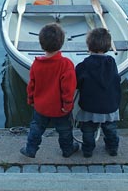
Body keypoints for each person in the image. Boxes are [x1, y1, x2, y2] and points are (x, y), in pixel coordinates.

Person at [20, 23, 79, 158]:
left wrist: (31, 100)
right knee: (65, 130)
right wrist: (67, 106)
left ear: (41, 44)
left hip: (41, 106)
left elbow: (31, 85)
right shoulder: (66, 65)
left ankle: (31, 149)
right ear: (62, 43)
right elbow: (68, 89)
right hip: (60, 109)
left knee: (36, 128)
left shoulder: (36, 64)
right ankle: (67, 149)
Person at [75, 28, 121, 158]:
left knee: (88, 131)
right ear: (108, 46)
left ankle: (88, 150)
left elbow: (77, 83)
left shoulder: (83, 65)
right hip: (110, 106)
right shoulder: (112, 63)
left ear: (89, 45)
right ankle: (113, 148)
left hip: (90, 107)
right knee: (110, 129)